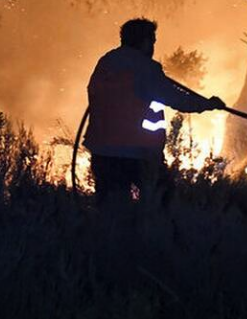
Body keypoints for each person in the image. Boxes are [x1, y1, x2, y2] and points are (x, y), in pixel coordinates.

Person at [84, 18, 225, 205]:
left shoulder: (106, 62)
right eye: (153, 41)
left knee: (112, 209)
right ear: (145, 41)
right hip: (136, 152)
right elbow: (176, 99)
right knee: (162, 200)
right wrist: (207, 104)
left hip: (102, 151)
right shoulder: (146, 68)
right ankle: (154, 232)